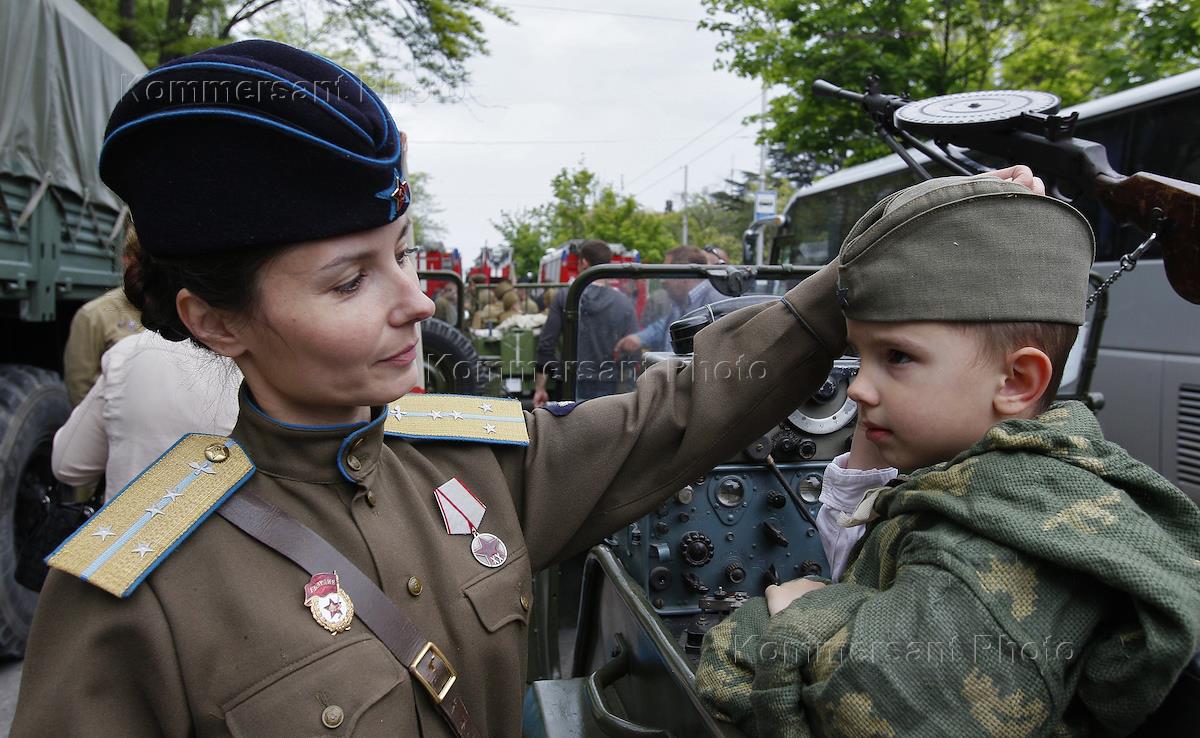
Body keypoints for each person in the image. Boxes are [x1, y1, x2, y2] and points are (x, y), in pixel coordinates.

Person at [12, 40, 846, 737]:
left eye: (404, 251)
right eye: (349, 282)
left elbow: (677, 414)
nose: (415, 298)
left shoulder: (473, 463)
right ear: (218, 323)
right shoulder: (134, 595)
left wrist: (848, 289)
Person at [695, 174, 1200, 737]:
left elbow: (901, 711)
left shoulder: (1004, 534)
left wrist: (792, 616)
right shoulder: (982, 480)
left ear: (1016, 380)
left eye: (897, 357)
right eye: (859, 356)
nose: (858, 388)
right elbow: (859, 539)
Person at [52, 328, 242, 501]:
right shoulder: (257, 361)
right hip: (228, 534)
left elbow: (67, 466)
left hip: (125, 532)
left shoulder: (129, 351)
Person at [534, 240, 639, 406]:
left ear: (583, 262)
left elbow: (547, 345)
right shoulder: (624, 302)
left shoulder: (565, 297)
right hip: (609, 388)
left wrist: (540, 388)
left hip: (569, 385)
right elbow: (633, 351)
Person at [62, 232, 143, 406]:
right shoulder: (94, 315)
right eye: (143, 261)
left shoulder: (176, 311)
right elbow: (80, 389)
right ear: (127, 259)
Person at [615, 245, 725, 353]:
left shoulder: (718, 304)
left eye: (667, 273)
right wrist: (639, 338)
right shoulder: (682, 302)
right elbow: (667, 326)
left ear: (683, 276)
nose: (663, 281)